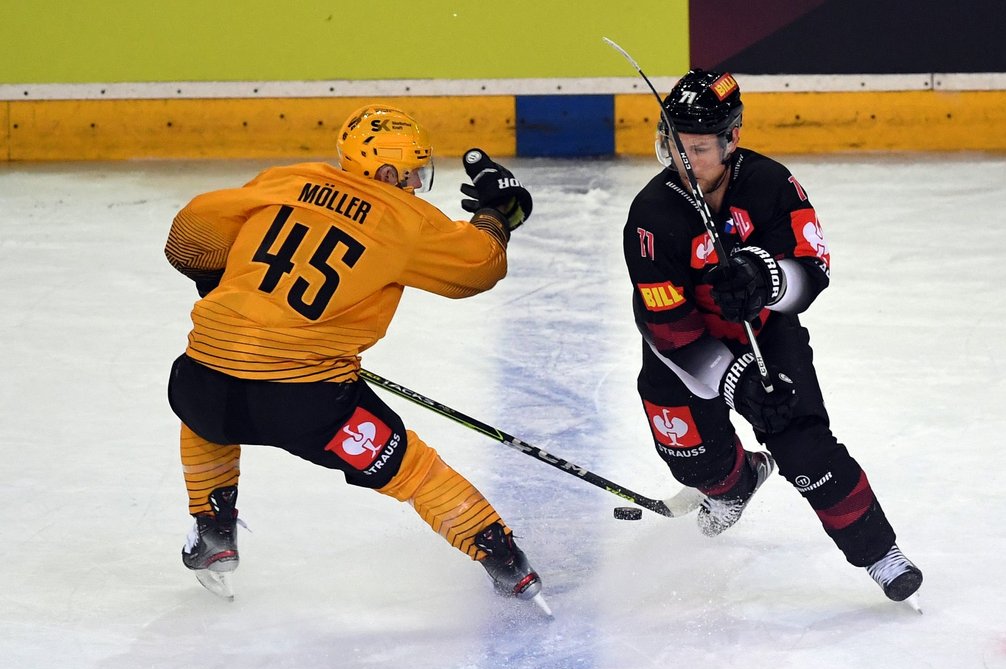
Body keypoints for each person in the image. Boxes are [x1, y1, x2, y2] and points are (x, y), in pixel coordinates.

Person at [164, 104, 549, 613]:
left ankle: (214, 531)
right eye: (411, 173)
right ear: (386, 172)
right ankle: (509, 566)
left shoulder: (286, 180)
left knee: (207, 414)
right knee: (413, 471)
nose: (414, 185)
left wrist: (230, 286)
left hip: (198, 384)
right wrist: (497, 216)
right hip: (307, 407)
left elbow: (188, 236)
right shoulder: (406, 219)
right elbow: (479, 269)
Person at [621, 69, 922, 605]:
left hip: (766, 333)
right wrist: (736, 381)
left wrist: (767, 278)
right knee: (696, 465)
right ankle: (736, 483)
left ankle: (879, 552)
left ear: (731, 140)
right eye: (674, 146)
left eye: (698, 149)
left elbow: (814, 268)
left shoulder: (771, 185)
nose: (684, 162)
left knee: (804, 445)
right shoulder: (651, 217)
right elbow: (670, 328)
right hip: (680, 357)